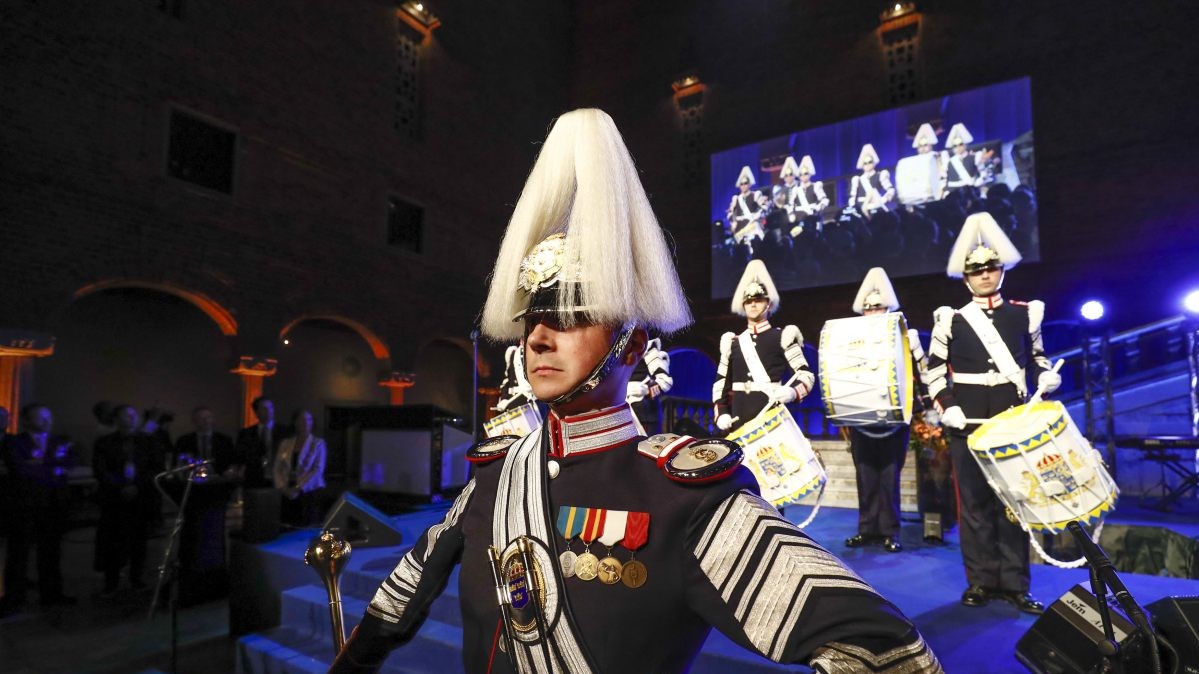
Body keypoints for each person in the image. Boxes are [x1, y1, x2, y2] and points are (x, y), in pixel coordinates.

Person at [329, 109, 939, 673]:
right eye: (531, 319)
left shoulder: (682, 497)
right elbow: (400, 597)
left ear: (628, 343)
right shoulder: (494, 472)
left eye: (569, 315)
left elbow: (886, 649)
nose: (539, 337)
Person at [926, 212, 1058, 614]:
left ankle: (1016, 584)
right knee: (975, 507)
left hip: (1011, 423)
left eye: (991, 268)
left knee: (1016, 504)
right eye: (977, 270)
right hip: (966, 426)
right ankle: (981, 581)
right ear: (965, 277)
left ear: (1001, 271)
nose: (985, 275)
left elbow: (1036, 358)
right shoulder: (950, 319)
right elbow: (933, 370)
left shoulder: (1024, 313)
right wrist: (947, 407)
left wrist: (1048, 375)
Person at [842, 269, 922, 554]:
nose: (874, 311)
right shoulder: (849, 342)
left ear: (888, 307)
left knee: (889, 476)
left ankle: (890, 530)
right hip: (862, 419)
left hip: (893, 420)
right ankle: (867, 529)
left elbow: (921, 374)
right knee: (864, 475)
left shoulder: (904, 336)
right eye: (869, 307)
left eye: (878, 306)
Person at [712, 259, 815, 434]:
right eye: (748, 301)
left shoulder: (783, 336)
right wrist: (721, 413)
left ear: (768, 303)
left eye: (758, 300)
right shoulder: (732, 342)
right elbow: (721, 384)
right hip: (739, 420)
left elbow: (805, 375)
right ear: (743, 305)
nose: (753, 304)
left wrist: (792, 392)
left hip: (772, 418)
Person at [0, 404, 76, 615]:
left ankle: (51, 594)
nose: (47, 421)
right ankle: (14, 598)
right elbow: (19, 468)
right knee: (18, 553)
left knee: (51, 552)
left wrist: (39, 464)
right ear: (26, 420)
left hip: (54, 504)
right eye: (41, 417)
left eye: (49, 416)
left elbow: (69, 463)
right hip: (24, 505)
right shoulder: (13, 441)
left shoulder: (60, 440)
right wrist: (51, 467)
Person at [93, 405, 161, 595]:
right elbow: (100, 469)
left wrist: (136, 485)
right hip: (114, 499)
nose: (130, 418)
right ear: (116, 419)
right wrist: (120, 486)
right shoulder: (104, 442)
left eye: (133, 415)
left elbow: (156, 467)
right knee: (112, 540)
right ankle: (111, 579)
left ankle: (136, 577)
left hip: (141, 497)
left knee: (139, 540)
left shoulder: (149, 441)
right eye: (125, 415)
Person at [273, 409, 327, 526]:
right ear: (295, 422)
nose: (305, 423)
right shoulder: (286, 443)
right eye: (301, 420)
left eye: (308, 419)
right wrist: (282, 487)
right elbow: (277, 467)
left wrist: (298, 487)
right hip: (287, 490)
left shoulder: (318, 443)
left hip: (309, 491)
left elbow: (318, 469)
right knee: (288, 524)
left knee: (306, 525)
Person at [235, 396, 282, 488]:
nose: (269, 411)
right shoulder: (246, 433)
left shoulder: (284, 431)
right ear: (256, 412)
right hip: (253, 480)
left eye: (271, 407)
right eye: (264, 408)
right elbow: (240, 456)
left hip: (278, 479)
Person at [175, 405, 237, 474]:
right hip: (192, 477)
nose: (206, 421)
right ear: (194, 421)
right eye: (201, 418)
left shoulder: (224, 440)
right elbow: (178, 462)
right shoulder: (184, 441)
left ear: (212, 419)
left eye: (208, 417)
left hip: (219, 478)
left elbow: (231, 461)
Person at [724, 165, 767, 255]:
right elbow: (731, 213)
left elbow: (764, 208)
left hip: (752, 226)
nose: (743, 185)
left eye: (745, 183)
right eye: (741, 184)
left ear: (749, 184)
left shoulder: (756, 195)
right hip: (739, 229)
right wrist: (733, 222)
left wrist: (758, 215)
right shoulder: (736, 198)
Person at [847, 143, 895, 216]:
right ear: (862, 165)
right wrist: (853, 210)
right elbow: (852, 198)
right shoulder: (857, 179)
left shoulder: (880, 175)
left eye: (870, 162)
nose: (867, 165)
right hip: (861, 210)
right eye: (865, 163)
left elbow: (891, 190)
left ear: (874, 163)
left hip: (876, 207)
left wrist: (882, 200)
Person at [494, 344, 536, 413]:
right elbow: (508, 379)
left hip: (534, 400)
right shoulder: (513, 352)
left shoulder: (534, 351)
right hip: (515, 401)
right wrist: (504, 398)